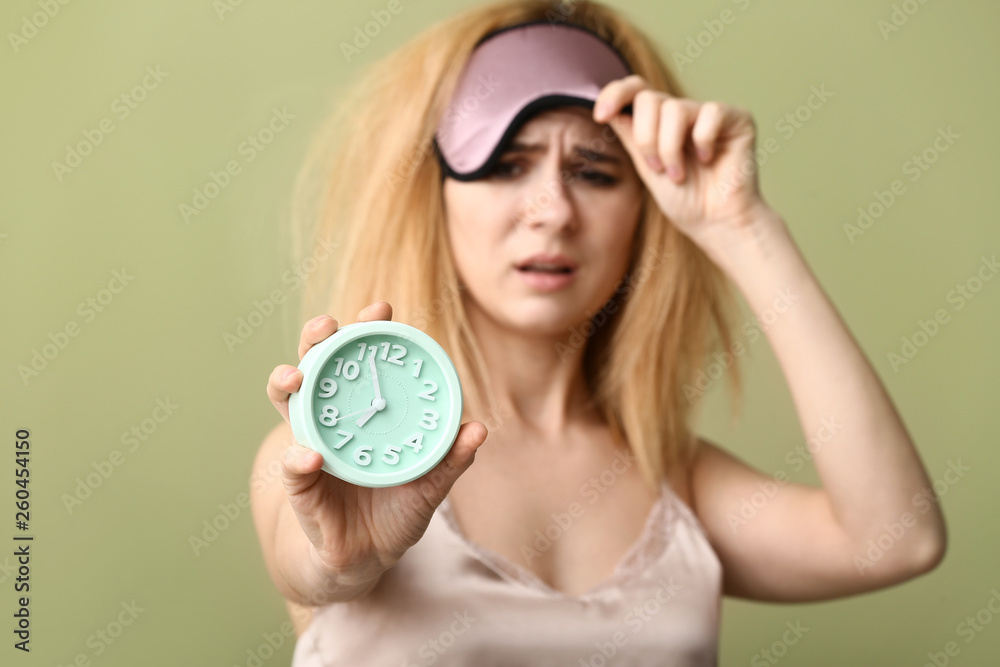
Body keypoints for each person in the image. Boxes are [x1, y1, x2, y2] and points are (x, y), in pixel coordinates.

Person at [250, 1, 947, 664]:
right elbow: (317, 562)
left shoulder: (675, 480)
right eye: (506, 163)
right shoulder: (336, 461)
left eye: (594, 170)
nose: (553, 210)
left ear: (644, 211)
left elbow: (895, 539)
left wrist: (743, 228)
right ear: (435, 197)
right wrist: (340, 560)